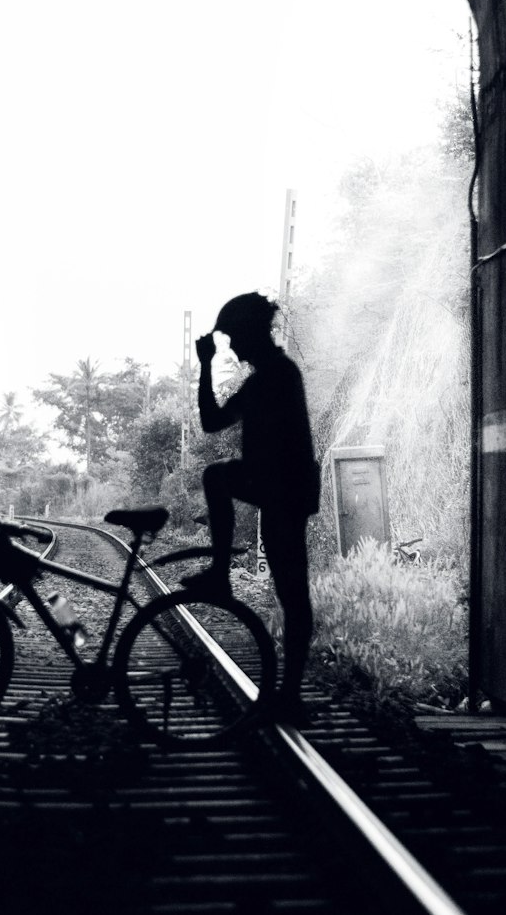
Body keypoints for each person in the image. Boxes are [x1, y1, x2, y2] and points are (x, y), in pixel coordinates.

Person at [182, 292, 319, 725]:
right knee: (215, 477)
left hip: (283, 493)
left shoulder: (277, 376)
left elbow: (215, 423)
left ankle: (292, 696)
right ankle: (221, 576)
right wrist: (206, 365)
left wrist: (206, 364)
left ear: (251, 333)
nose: (234, 349)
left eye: (235, 338)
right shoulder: (267, 377)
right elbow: (211, 422)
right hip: (276, 488)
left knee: (293, 593)